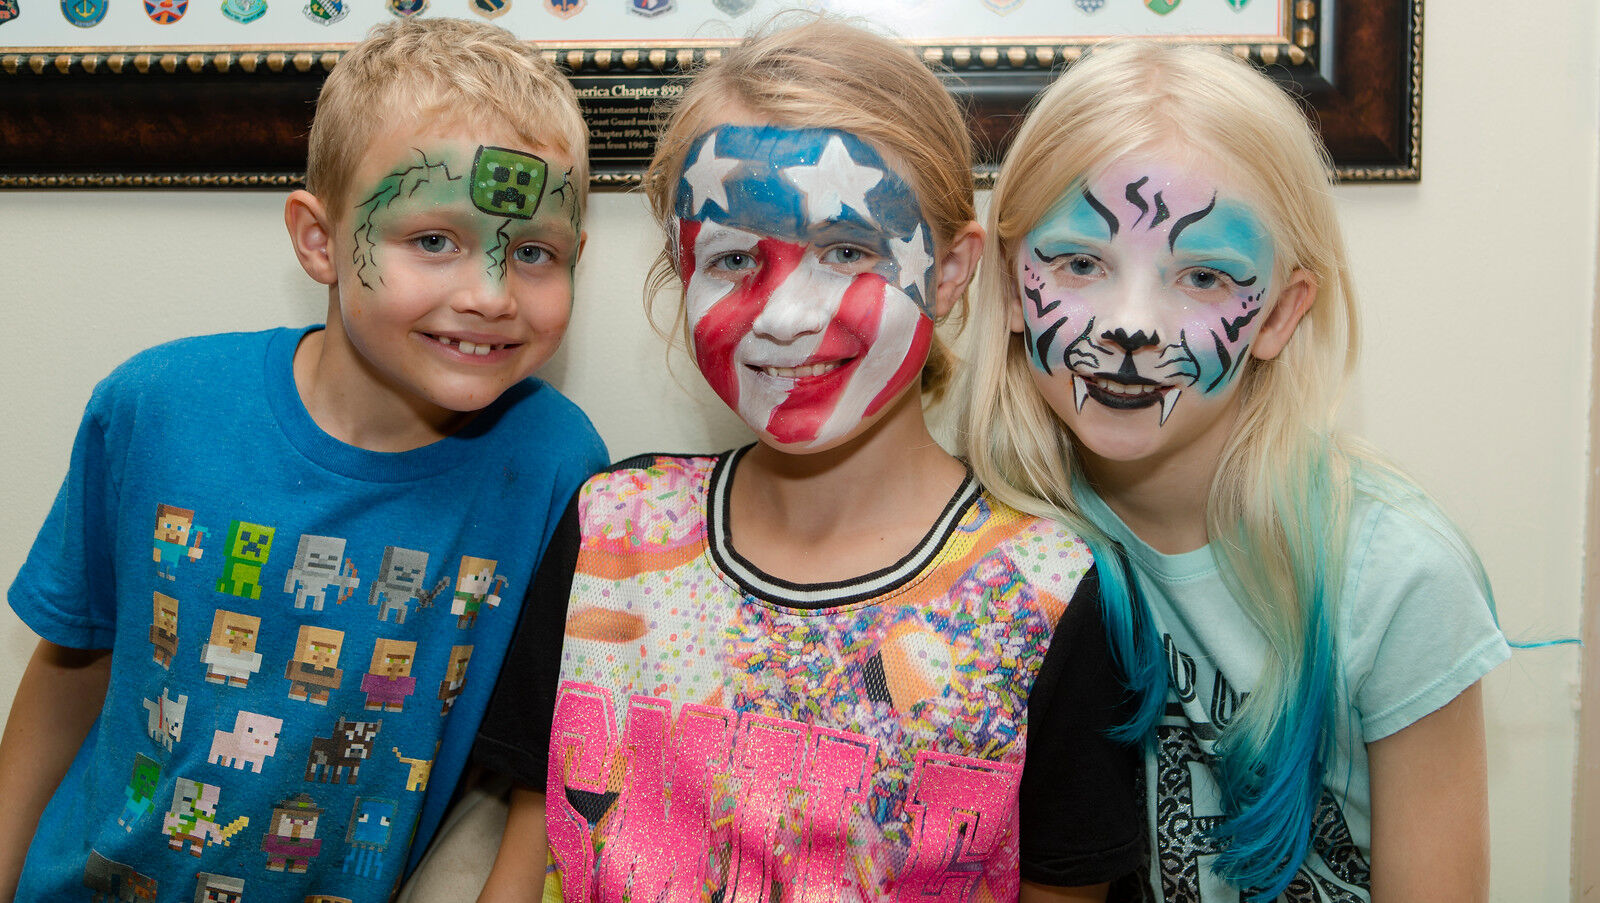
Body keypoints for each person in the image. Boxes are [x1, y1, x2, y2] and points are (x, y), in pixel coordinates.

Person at [472, 18, 1143, 903]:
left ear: (951, 272)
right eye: (734, 258)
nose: (785, 316)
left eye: (847, 252)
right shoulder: (611, 531)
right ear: (681, 268)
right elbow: (530, 859)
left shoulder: (1047, 594)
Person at [0, 18, 607, 902]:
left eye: (533, 253)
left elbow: (537, 759)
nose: (489, 294)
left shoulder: (559, 468)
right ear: (319, 240)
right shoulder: (156, 407)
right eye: (433, 241)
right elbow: (70, 663)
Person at [955, 41, 1511, 903]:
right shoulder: (986, 549)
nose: (1132, 327)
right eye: (1079, 263)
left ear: (1280, 314)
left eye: (1204, 276)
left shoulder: (1396, 578)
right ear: (1006, 287)